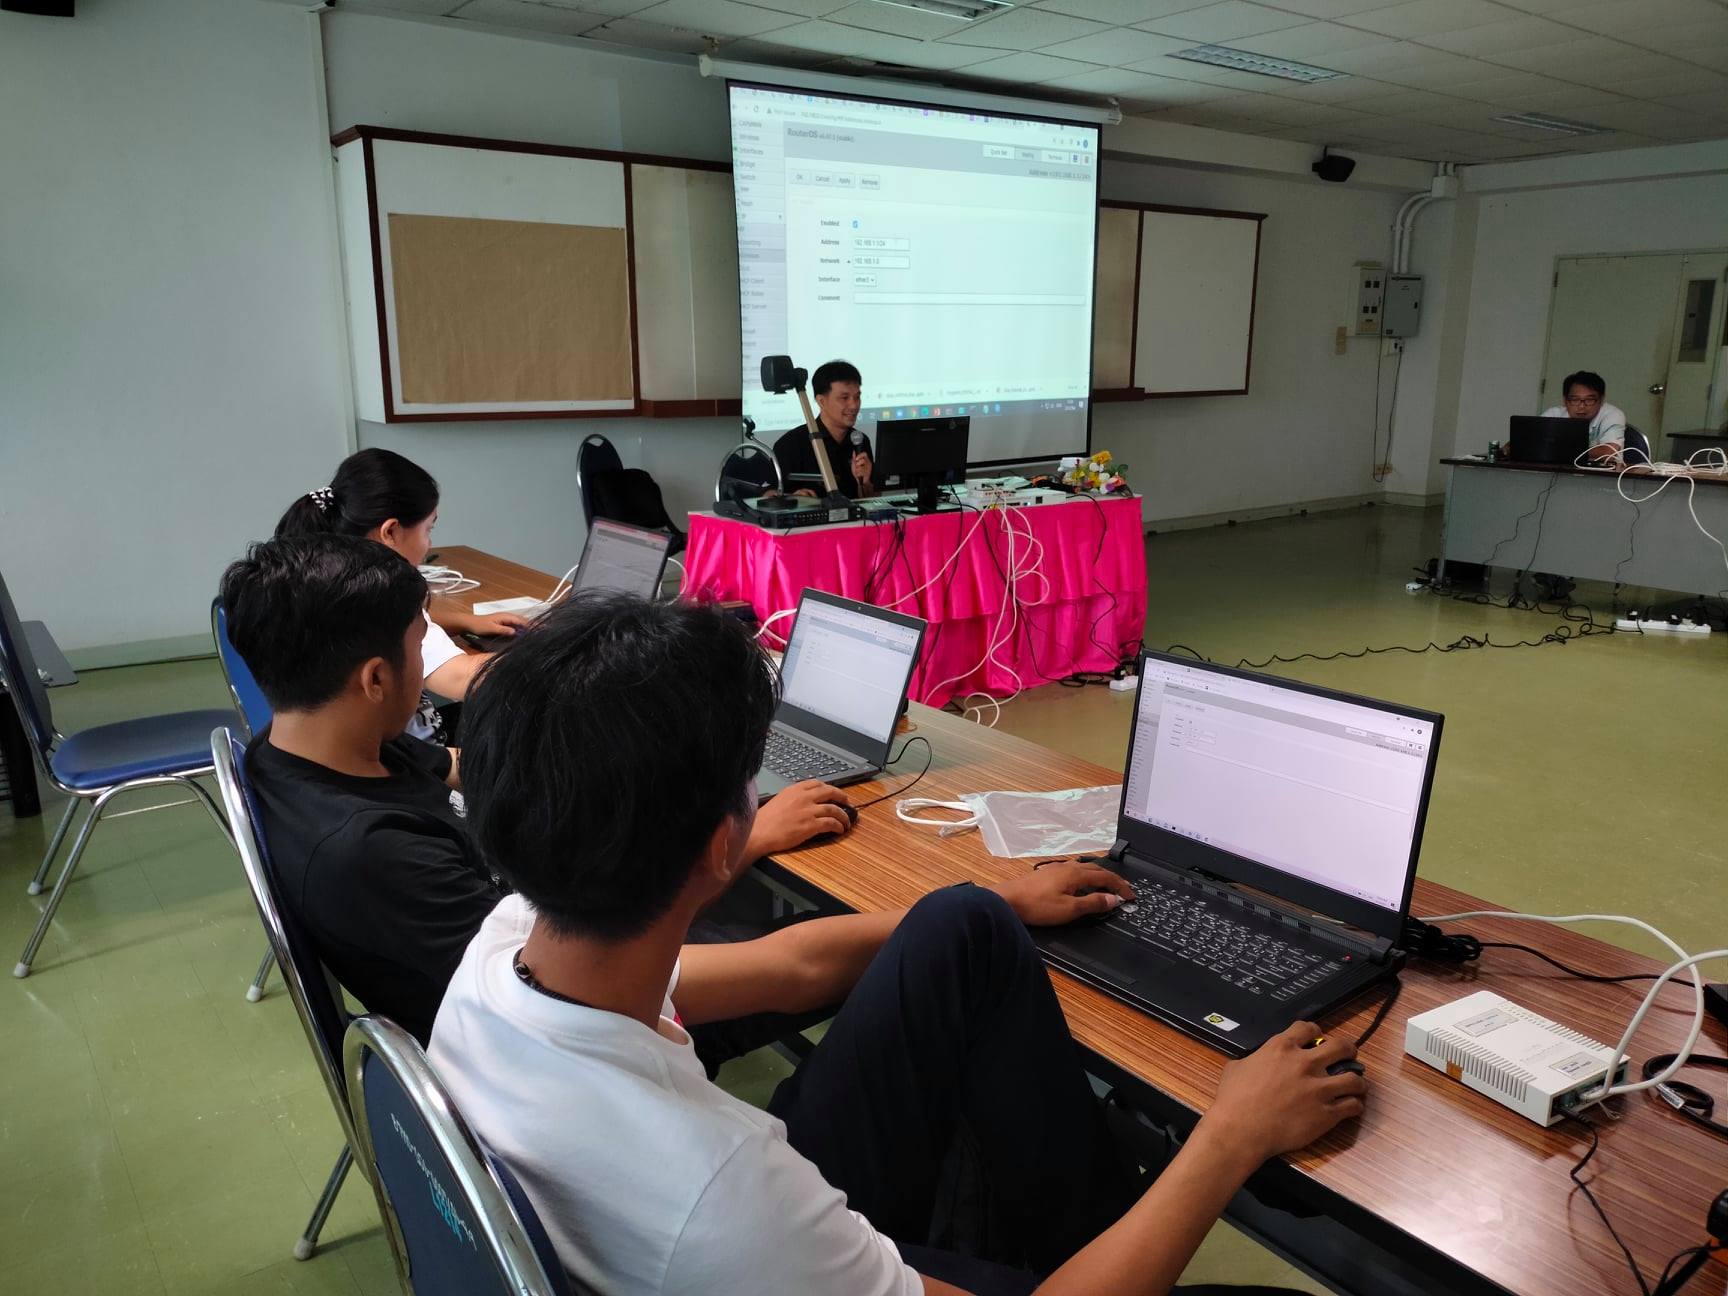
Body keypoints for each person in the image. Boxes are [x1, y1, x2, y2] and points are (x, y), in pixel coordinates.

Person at [431, 591, 1365, 1296]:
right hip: (735, 1236)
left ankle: (1095, 1224)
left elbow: (793, 965)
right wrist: (1228, 1139)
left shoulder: (503, 946)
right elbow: (737, 1212)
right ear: (723, 842)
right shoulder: (729, 1204)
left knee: (962, 923)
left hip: (659, 1205)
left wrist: (999, 899)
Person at [219, 534, 859, 1049]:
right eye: (420, 646)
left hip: (550, 936)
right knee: (836, 940)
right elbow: (578, 985)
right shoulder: (369, 852)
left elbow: (465, 766)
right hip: (576, 1023)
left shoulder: (309, 746)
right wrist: (747, 839)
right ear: (376, 679)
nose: (427, 664)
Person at [275, 447, 522, 742]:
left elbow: (424, 625)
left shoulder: (327, 583)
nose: (429, 544)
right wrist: (553, 647)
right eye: (428, 529)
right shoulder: (385, 607)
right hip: (418, 752)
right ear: (390, 532)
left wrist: (467, 621)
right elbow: (465, 678)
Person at [772, 358, 876, 499]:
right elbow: (769, 495)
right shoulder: (791, 444)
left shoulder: (860, 441)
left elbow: (868, 500)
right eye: (844, 398)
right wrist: (793, 498)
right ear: (821, 401)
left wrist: (865, 483)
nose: (854, 405)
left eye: (857, 397)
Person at [1542, 370, 1627, 463]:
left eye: (1589, 400)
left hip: (1602, 471)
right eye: (1575, 400)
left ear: (1601, 400)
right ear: (1565, 400)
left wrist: (1558, 450)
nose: (1582, 406)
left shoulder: (1613, 415)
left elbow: (1608, 453)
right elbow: (1534, 446)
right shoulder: (1553, 415)